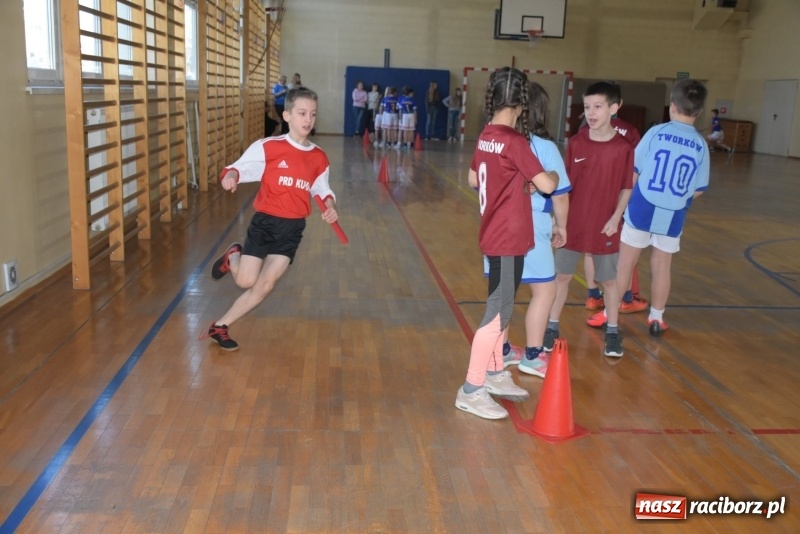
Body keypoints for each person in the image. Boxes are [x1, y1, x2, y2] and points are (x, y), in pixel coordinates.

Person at [200, 86, 339, 351]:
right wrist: (231, 177)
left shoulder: (319, 157)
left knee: (264, 285)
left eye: (313, 114)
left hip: (292, 229)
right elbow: (237, 168)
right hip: (265, 224)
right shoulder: (269, 147)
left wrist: (330, 205)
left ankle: (220, 326)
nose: (308, 119)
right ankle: (233, 257)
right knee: (245, 281)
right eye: (302, 113)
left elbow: (322, 190)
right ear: (287, 115)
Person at [455, 67, 558, 420]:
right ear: (521, 105)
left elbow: (474, 178)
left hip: (496, 234)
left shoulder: (486, 134)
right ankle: (471, 388)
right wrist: (549, 174)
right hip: (508, 238)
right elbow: (547, 185)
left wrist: (513, 181)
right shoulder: (515, 141)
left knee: (503, 309)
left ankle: (495, 373)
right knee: (497, 315)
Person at [601, 79, 711, 345]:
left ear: (672, 106)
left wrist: (620, 203)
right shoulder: (701, 144)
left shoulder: (656, 133)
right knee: (662, 266)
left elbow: (634, 171)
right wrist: (678, 199)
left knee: (626, 262)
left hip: (643, 206)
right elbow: (699, 189)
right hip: (673, 213)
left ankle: (608, 314)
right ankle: (657, 317)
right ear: (699, 112)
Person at [543, 81, 634, 358]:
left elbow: (626, 187)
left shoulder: (623, 148)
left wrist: (616, 218)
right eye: (587, 107)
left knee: (609, 281)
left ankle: (613, 332)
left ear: (614, 108)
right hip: (573, 224)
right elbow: (564, 187)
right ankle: (551, 327)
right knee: (561, 276)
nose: (591, 113)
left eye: (597, 107)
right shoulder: (576, 143)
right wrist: (558, 221)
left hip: (605, 225)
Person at [496, 81, 571, 378]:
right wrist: (561, 226)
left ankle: (501, 350)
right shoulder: (545, 148)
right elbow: (559, 195)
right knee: (545, 290)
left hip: (497, 227)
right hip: (531, 227)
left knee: (503, 293)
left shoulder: (495, 141)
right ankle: (533, 355)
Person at [582, 91, 648, 317]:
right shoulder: (630, 131)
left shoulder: (587, 129)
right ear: (618, 104)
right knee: (622, 251)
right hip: (618, 197)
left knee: (590, 250)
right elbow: (636, 167)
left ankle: (593, 296)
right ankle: (625, 298)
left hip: (591, 198)